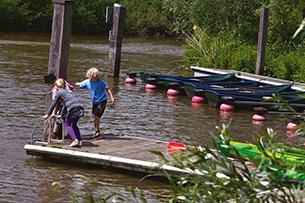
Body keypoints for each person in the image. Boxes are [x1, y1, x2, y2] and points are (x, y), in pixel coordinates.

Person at [75, 67, 115, 139]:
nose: (95, 78)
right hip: (95, 102)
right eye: (94, 77)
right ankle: (96, 131)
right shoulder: (88, 82)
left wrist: (111, 97)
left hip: (102, 100)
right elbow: (79, 84)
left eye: (97, 77)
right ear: (90, 76)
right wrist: (68, 84)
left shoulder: (100, 82)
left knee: (97, 115)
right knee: (94, 117)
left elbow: (107, 88)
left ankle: (97, 130)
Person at [43, 78, 84, 147]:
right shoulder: (67, 92)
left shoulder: (59, 92)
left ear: (56, 86)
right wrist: (62, 115)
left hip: (72, 108)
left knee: (67, 124)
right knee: (73, 124)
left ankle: (75, 140)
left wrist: (48, 114)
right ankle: (79, 140)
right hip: (79, 107)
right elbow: (65, 104)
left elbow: (54, 104)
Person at [44, 73, 74, 139]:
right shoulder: (63, 82)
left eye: (48, 84)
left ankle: (55, 134)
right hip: (72, 102)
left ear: (51, 82)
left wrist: (53, 113)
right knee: (69, 119)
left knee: (58, 118)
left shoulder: (55, 89)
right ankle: (70, 134)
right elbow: (71, 87)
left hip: (64, 104)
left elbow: (55, 102)